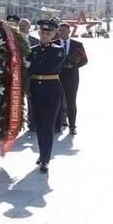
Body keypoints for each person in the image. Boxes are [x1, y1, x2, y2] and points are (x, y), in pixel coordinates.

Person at [28, 19, 66, 173]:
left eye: (48, 33)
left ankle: (45, 159)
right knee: (38, 124)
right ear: (38, 33)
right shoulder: (32, 50)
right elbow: (28, 69)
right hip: (35, 90)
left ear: (54, 34)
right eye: (42, 32)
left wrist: (31, 65)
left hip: (52, 91)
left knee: (48, 125)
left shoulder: (58, 50)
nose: (44, 35)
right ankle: (42, 153)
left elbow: (47, 67)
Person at [54, 22, 88, 135]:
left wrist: (73, 65)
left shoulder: (77, 44)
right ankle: (57, 126)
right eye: (60, 30)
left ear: (69, 31)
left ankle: (72, 126)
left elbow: (85, 60)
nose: (62, 32)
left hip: (72, 78)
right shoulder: (53, 44)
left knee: (71, 102)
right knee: (56, 102)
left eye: (64, 30)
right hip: (56, 78)